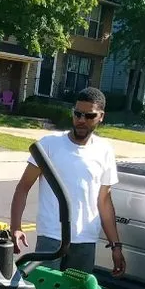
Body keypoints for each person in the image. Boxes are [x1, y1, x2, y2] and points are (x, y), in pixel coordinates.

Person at [10, 86, 126, 276]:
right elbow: (23, 187)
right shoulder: (49, 145)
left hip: (85, 240)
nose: (81, 120)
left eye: (89, 116)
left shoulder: (105, 150)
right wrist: (16, 227)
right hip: (51, 237)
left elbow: (104, 201)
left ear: (101, 116)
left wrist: (115, 245)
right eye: (77, 114)